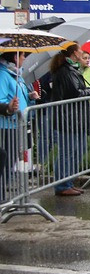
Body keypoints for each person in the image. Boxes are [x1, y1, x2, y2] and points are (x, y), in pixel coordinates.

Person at [48, 45, 90, 196]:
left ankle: (69, 182)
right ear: (74, 53)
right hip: (67, 119)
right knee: (68, 152)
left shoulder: (72, 69)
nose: (82, 52)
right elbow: (74, 93)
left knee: (78, 151)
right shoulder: (65, 71)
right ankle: (62, 185)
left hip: (75, 118)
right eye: (79, 50)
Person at [1, 51, 39, 196]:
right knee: (6, 163)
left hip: (18, 124)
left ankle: (4, 195)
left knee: (11, 162)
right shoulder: (4, 75)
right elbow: (3, 100)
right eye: (23, 55)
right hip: (7, 126)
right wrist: (9, 108)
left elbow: (19, 98)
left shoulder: (16, 74)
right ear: (16, 57)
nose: (25, 58)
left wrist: (30, 97)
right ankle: (2, 197)